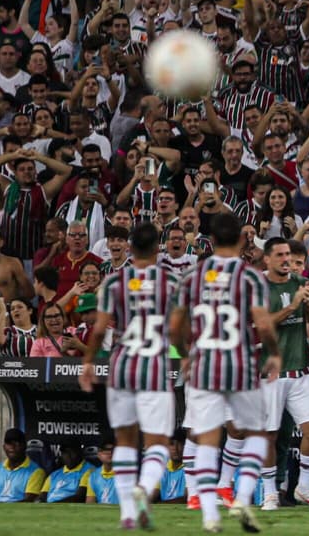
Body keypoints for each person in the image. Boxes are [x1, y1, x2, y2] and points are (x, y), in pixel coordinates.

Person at [170, 212, 281, 534]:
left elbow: (176, 326)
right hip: (242, 366)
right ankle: (243, 498)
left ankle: (208, 512)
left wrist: (186, 355)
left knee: (206, 439)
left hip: (204, 365)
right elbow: (262, 322)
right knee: (258, 434)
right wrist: (273, 353)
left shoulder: (192, 277)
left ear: (212, 240)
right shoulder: (251, 277)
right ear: (243, 239)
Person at [77, 222, 180, 528]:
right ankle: (144, 490)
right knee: (158, 441)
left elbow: (98, 329)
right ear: (158, 248)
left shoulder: (113, 283)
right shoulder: (172, 282)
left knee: (124, 440)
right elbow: (178, 329)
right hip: (155, 368)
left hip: (122, 367)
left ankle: (126, 511)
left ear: (131, 248)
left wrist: (87, 363)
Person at [259, 237, 309, 511]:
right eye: (280, 255)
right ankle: (269, 493)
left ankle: (305, 486)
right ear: (267, 259)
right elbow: (262, 326)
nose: (286, 260)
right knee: (269, 436)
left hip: (300, 371)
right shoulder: (259, 286)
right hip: (270, 374)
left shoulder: (299, 283)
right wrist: (291, 306)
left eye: (289, 255)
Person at [0, 428, 45, 502]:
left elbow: (29, 501)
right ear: (4, 447)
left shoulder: (36, 472)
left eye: (16, 442)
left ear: (24, 446)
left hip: (18, 512)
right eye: (9, 443)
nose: (12, 446)